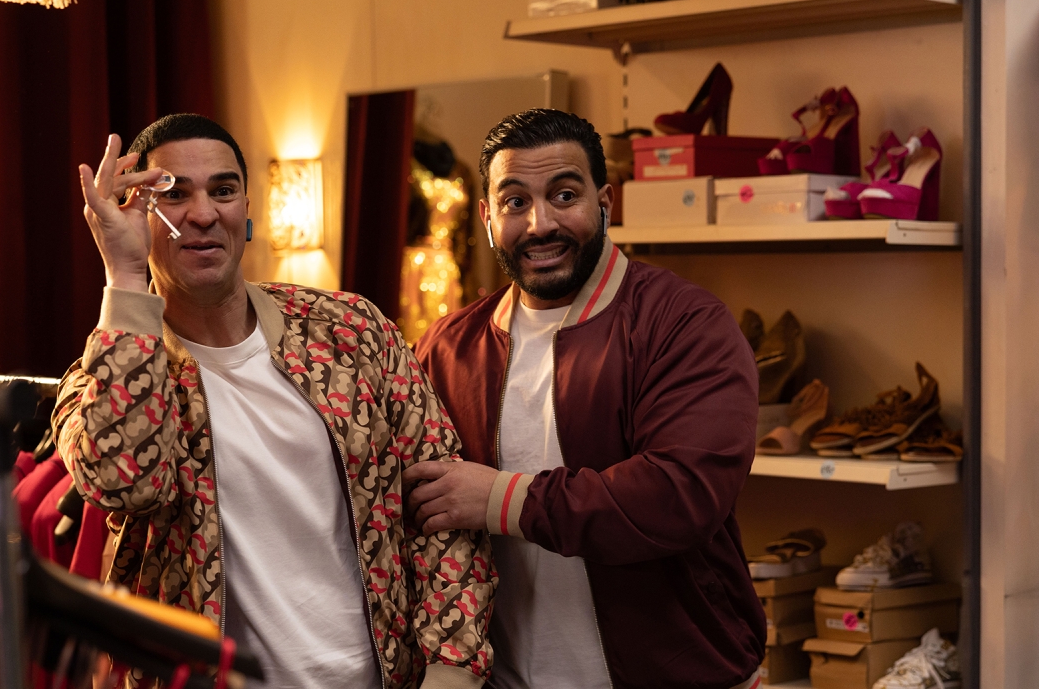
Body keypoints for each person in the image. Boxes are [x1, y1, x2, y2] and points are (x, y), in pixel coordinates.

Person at [53, 114, 494, 689]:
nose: (204, 213)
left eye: (223, 190)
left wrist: (450, 672)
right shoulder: (101, 380)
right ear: (138, 215)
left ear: (246, 209)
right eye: (174, 194)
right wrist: (126, 274)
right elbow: (126, 483)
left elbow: (444, 502)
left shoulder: (351, 331)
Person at [405, 108, 765, 689]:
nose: (540, 223)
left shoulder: (685, 324)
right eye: (515, 202)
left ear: (605, 202)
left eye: (564, 195)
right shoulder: (447, 349)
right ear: (488, 218)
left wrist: (499, 499)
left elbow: (682, 492)